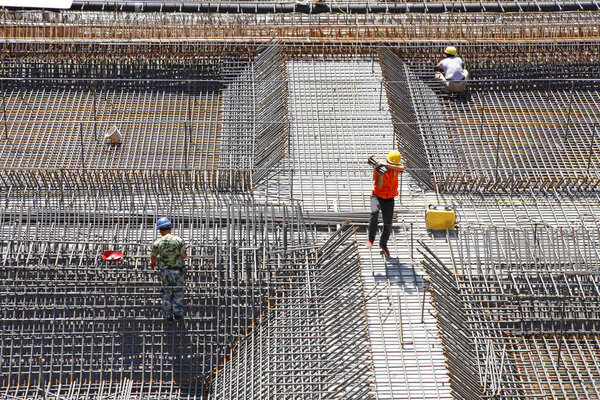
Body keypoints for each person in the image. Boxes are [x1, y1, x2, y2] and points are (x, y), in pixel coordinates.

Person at [367, 150, 405, 257]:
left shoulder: (395, 168)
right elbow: (378, 186)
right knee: (374, 214)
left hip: (389, 198)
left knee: (388, 223)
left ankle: (383, 244)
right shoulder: (378, 169)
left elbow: (402, 168)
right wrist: (381, 174)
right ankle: (371, 239)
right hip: (377, 196)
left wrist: (389, 166)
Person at [150, 217, 188, 322]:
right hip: (177, 271)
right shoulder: (179, 240)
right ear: (170, 228)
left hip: (165, 272)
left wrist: (153, 263)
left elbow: (153, 257)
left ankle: (168, 315)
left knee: (167, 293)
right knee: (178, 292)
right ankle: (177, 313)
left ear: (160, 230)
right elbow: (184, 256)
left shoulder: (157, 243)